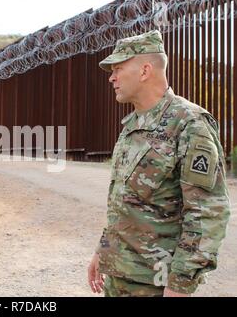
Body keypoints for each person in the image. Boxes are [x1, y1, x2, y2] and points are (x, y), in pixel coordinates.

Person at [87, 30, 230, 297]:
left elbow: (207, 213)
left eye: (118, 68)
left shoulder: (189, 124)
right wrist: (102, 250)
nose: (112, 77)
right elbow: (123, 204)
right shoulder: (133, 126)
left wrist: (180, 285)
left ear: (144, 71)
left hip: (155, 285)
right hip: (119, 278)